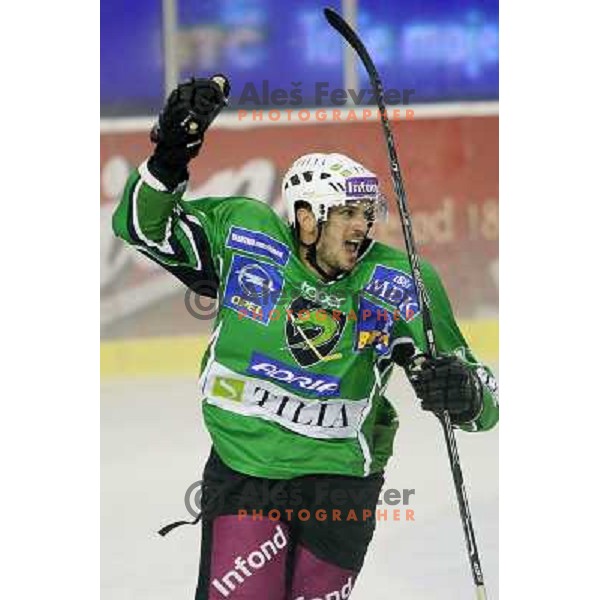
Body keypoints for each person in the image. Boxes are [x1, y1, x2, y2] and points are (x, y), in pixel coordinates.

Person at [112, 76, 498, 600]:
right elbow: (140, 228)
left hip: (341, 482)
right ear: (305, 217)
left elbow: (482, 404)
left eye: (367, 214)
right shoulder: (244, 236)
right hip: (245, 468)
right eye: (346, 213)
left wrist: (464, 392)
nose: (362, 227)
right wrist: (170, 155)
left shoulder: (401, 281)